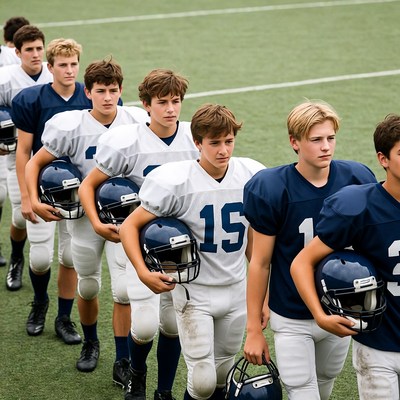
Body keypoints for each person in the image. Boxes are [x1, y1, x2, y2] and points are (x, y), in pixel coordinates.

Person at [119, 103, 265, 400]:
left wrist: (265, 296)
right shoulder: (176, 182)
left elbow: (255, 244)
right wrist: (143, 272)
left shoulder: (251, 176)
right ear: (197, 143)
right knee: (202, 380)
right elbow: (128, 227)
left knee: (222, 374)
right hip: (194, 291)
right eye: (214, 143)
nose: (223, 150)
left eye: (228, 141)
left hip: (237, 287)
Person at [24, 59, 148, 385]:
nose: (107, 97)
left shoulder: (136, 121)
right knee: (90, 284)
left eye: (112, 91)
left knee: (123, 291)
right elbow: (34, 163)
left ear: (121, 91)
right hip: (83, 216)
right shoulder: (71, 125)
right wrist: (34, 200)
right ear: (88, 92)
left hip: (125, 217)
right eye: (100, 91)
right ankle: (91, 341)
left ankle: (122, 359)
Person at [242, 100, 377, 400]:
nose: (326, 147)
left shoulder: (356, 179)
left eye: (330, 138)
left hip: (341, 308)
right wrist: (253, 327)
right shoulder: (272, 187)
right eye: (316, 140)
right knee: (303, 391)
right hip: (291, 314)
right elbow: (260, 262)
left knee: (325, 385)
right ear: (295, 142)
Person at [78, 68, 199, 399]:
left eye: (176, 101)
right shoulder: (127, 142)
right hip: (141, 242)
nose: (171, 109)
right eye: (163, 102)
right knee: (144, 326)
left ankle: (163, 390)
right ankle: (138, 371)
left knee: (173, 325)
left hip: (180, 246)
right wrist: (97, 221)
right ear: (146, 104)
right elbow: (88, 186)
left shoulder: (194, 138)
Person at [290, 113, 400, 400]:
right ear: (383, 159)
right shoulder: (359, 206)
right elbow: (302, 262)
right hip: (378, 343)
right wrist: (319, 314)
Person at [11, 38, 91, 343]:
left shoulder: (90, 96)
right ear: (50, 67)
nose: (69, 70)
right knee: (41, 259)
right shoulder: (32, 99)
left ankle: (63, 317)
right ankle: (41, 302)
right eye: (63, 65)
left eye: (74, 64)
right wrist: (28, 197)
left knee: (70, 258)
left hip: (78, 191)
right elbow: (24, 151)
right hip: (43, 188)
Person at [0, 25, 53, 291]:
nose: (35, 55)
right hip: (16, 155)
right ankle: (16, 257)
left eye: (38, 49)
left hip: (52, 163)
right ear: (17, 52)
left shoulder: (53, 74)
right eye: (29, 50)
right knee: (21, 217)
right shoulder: (5, 78)